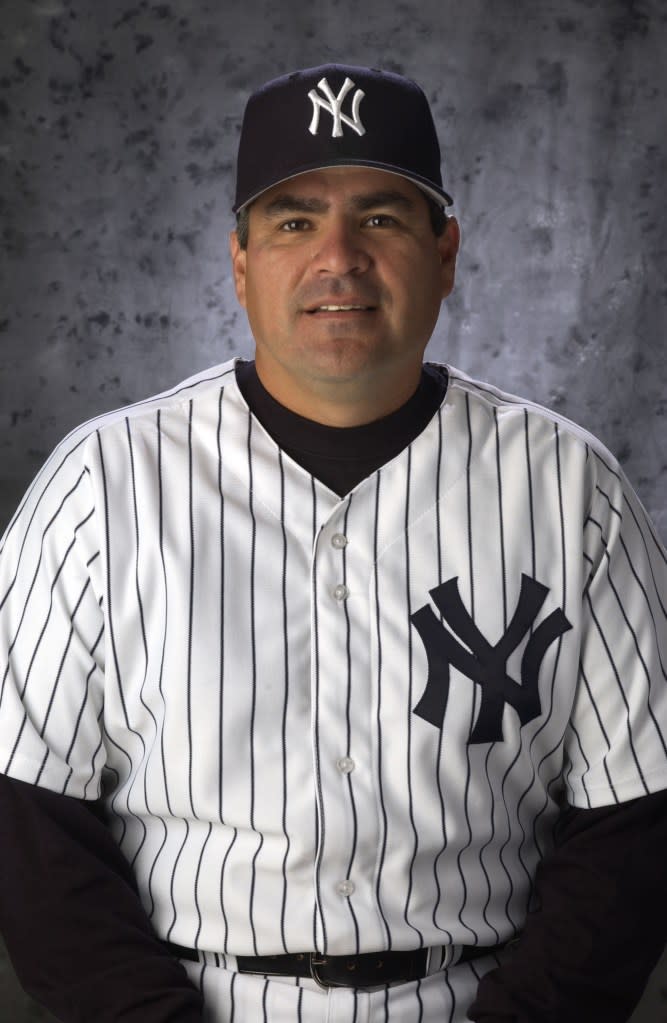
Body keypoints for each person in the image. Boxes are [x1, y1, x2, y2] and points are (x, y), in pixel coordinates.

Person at [0, 62, 665, 1023]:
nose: (338, 258)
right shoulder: (101, 484)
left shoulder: (571, 487)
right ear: (240, 263)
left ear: (445, 254)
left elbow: (634, 823)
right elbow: (29, 825)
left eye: (383, 218)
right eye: (293, 221)